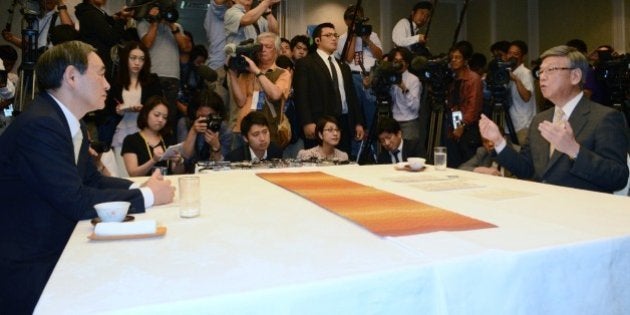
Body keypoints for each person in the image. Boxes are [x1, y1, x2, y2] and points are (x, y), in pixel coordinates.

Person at [0, 41, 174, 314]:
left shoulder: (67, 120)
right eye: (101, 73)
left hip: (51, 249)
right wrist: (147, 196)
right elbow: (76, 199)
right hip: (28, 267)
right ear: (71, 77)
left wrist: (139, 185)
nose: (107, 84)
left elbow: (91, 180)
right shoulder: (41, 125)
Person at [479, 45, 629, 193]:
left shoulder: (605, 117)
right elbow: (526, 169)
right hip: (541, 206)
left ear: (575, 76)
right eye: (541, 71)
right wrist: (499, 143)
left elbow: (618, 178)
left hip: (582, 211)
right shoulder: (540, 119)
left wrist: (574, 150)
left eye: (551, 70)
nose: (542, 76)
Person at [294, 22, 365, 157]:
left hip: (343, 122)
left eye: (335, 35)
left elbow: (352, 97)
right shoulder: (306, 63)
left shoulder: (343, 66)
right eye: (328, 35)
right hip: (319, 123)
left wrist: (358, 122)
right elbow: (301, 96)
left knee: (343, 162)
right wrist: (307, 122)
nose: (334, 38)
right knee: (318, 165)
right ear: (317, 40)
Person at [227, 31, 291, 148]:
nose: (263, 49)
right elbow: (240, 101)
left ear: (276, 51)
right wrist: (232, 73)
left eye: (268, 46)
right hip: (243, 128)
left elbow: (275, 94)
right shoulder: (246, 70)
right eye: (260, 46)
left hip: (267, 131)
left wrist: (256, 71)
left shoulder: (282, 73)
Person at [108, 41, 163, 175]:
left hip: (145, 131)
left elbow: (159, 106)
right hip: (123, 129)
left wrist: (145, 109)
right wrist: (117, 110)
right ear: (126, 58)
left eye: (141, 59)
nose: (137, 63)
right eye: (133, 58)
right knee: (123, 173)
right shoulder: (116, 82)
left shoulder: (152, 81)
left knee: (145, 172)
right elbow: (106, 108)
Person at [137, 3, 189, 138]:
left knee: (169, 117)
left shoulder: (177, 27)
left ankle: (166, 149)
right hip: (152, 76)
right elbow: (146, 44)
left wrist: (172, 25)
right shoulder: (144, 24)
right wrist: (154, 22)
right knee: (151, 115)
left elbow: (185, 47)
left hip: (172, 77)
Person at [336, 5, 383, 134]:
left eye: (358, 17)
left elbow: (379, 56)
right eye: (352, 18)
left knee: (371, 113)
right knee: (356, 113)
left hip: (371, 75)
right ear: (346, 21)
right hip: (354, 77)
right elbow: (349, 58)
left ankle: (372, 147)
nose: (355, 20)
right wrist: (354, 36)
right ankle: (356, 149)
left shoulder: (372, 34)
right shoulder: (343, 38)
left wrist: (367, 40)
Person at [121, 95, 186, 176]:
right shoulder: (131, 140)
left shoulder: (168, 138)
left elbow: (178, 173)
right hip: (143, 186)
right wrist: (153, 160)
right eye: (156, 115)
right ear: (146, 113)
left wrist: (179, 162)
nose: (160, 120)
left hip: (167, 184)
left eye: (165, 117)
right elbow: (133, 174)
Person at [444, 41, 483, 167]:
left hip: (468, 129)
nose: (453, 60)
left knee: (468, 164)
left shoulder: (473, 79)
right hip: (453, 126)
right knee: (453, 164)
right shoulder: (453, 79)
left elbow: (473, 107)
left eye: (458, 57)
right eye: (452, 58)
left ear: (465, 60)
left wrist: (462, 125)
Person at [180, 90, 232, 171]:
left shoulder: (224, 129)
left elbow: (222, 166)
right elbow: (185, 158)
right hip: (189, 172)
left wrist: (216, 147)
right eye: (201, 116)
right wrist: (193, 131)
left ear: (218, 114)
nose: (205, 120)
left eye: (210, 116)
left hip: (212, 173)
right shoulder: (185, 123)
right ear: (194, 112)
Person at [2, 0, 74, 53]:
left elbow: (69, 33)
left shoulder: (60, 17)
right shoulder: (34, 20)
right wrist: (12, 39)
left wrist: (60, 3)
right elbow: (28, 46)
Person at [387, 47, 422, 141]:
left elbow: (415, 107)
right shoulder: (389, 78)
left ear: (407, 63)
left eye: (401, 61)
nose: (398, 63)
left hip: (409, 123)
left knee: (409, 154)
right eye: (395, 60)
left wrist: (404, 88)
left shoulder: (413, 79)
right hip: (393, 123)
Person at [506, 40, 537, 146]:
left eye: (516, 54)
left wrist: (516, 80)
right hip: (510, 125)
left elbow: (526, 96)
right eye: (509, 53)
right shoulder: (508, 73)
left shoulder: (525, 73)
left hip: (523, 125)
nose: (511, 56)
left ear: (523, 57)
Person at [203, 0, 233, 109]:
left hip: (234, 70)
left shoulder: (239, 14)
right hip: (219, 70)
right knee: (219, 113)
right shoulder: (216, 9)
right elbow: (218, 2)